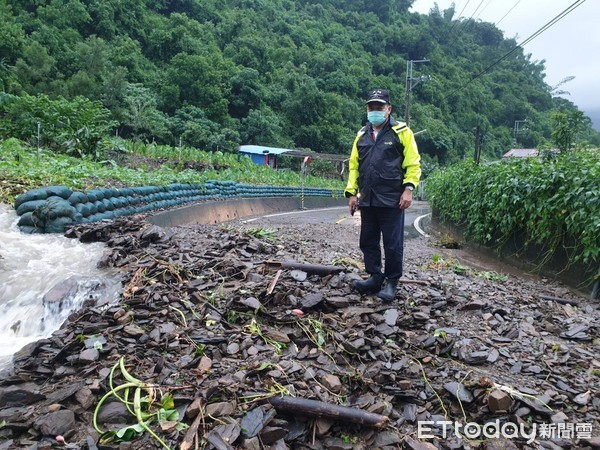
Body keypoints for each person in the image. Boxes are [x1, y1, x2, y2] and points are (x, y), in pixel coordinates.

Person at [344, 89, 421, 302]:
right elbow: (354, 167)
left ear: (389, 109)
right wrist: (352, 194)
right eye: (371, 107)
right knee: (368, 240)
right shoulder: (361, 135)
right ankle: (375, 276)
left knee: (392, 243)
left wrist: (408, 189)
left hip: (392, 199)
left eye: (379, 107)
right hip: (368, 198)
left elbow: (413, 163)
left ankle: (392, 280)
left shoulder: (402, 132)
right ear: (367, 109)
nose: (375, 111)